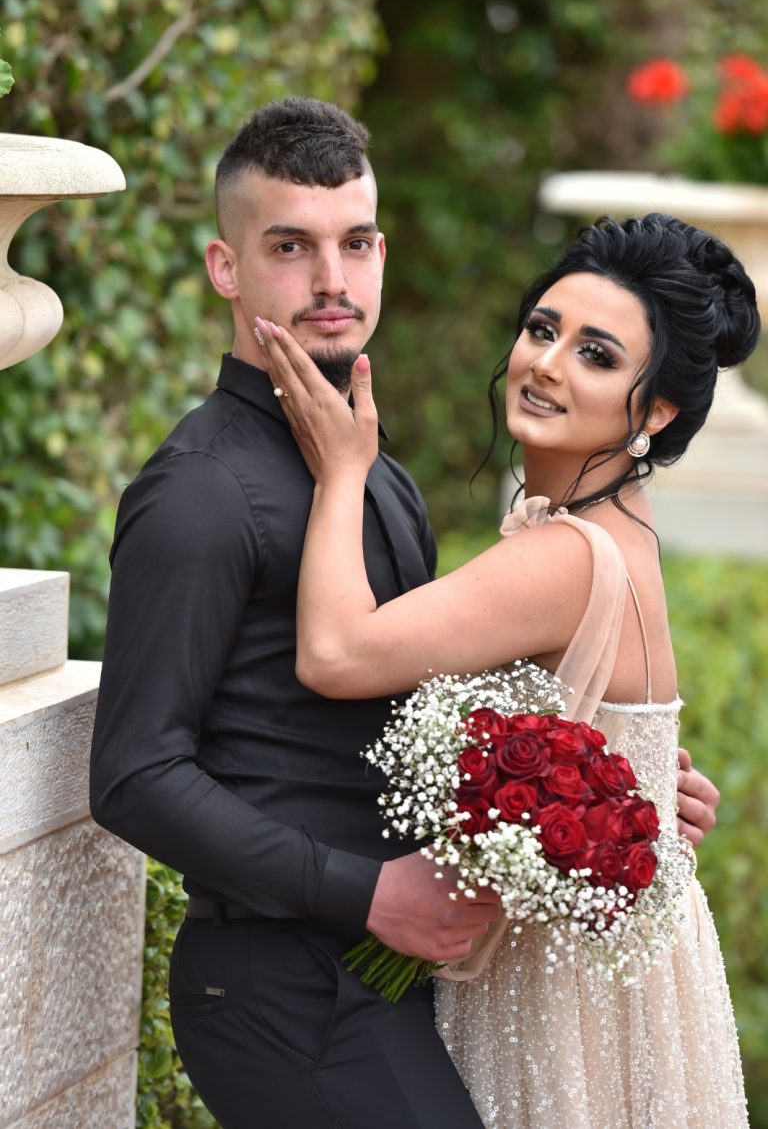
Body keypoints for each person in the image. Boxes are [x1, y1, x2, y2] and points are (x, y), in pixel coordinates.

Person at [88, 97, 719, 1129]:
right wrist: (368, 893)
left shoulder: (380, 477)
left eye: (354, 243)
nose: (331, 282)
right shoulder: (199, 490)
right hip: (284, 993)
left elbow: (427, 713)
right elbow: (134, 776)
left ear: (382, 254)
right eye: (289, 247)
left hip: (402, 980)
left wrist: (616, 801)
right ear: (225, 267)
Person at [254, 210, 753, 1128]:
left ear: (656, 410)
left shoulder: (563, 554)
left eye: (596, 354)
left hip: (560, 991)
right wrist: (644, 793)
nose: (547, 364)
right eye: (541, 329)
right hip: (626, 959)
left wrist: (342, 472)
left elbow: (333, 654)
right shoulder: (620, 525)